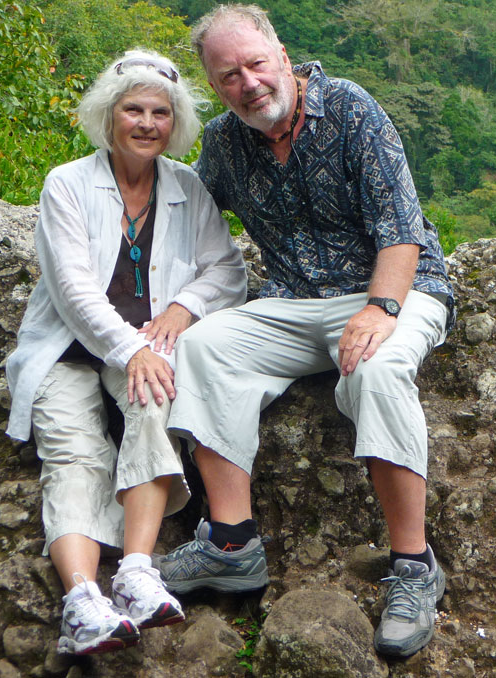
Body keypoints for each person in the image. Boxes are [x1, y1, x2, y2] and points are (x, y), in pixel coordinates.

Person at [154, 3, 454, 658]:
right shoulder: (226, 143)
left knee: (375, 368)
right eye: (228, 75)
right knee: (203, 347)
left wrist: (380, 309)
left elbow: (400, 229)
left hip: (394, 286)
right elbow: (182, 228)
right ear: (214, 85)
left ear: (282, 55)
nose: (248, 84)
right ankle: (231, 543)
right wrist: (173, 303)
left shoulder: (348, 109)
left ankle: (413, 565)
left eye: (256, 65)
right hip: (294, 301)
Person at [5, 50, 247, 655]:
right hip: (70, 347)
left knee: (151, 408)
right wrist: (129, 347)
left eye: (160, 112)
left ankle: (136, 573)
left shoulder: (187, 187)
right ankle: (83, 602)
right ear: (108, 116)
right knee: (73, 451)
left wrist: (179, 310)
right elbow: (72, 288)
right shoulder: (66, 183)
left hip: (148, 344)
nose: (146, 122)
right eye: (133, 110)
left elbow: (226, 268)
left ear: (176, 122)